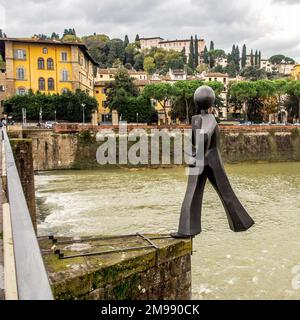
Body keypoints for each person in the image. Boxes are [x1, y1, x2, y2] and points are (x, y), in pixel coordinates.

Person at [171, 86, 255, 239]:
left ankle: (187, 229)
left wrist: (194, 155)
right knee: (221, 193)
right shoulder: (202, 118)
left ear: (198, 101)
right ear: (211, 102)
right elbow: (198, 138)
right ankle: (241, 222)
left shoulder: (206, 119)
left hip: (208, 158)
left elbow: (202, 137)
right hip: (207, 157)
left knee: (196, 192)